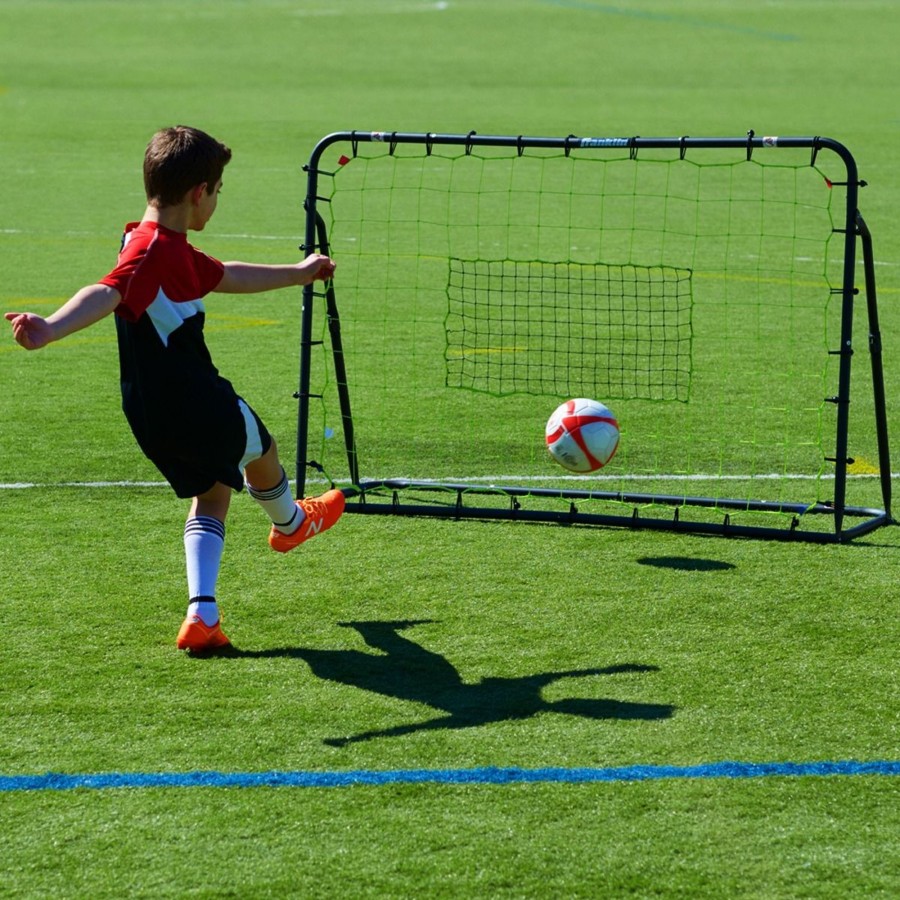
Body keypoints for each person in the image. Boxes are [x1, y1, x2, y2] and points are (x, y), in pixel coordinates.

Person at [5, 125, 344, 653]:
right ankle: (293, 522)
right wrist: (48, 328)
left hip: (149, 413)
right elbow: (108, 291)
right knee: (263, 449)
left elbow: (225, 274)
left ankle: (201, 615)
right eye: (218, 192)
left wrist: (298, 273)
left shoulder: (161, 245)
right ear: (198, 193)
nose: (216, 203)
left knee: (211, 495)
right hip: (197, 400)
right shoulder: (149, 252)